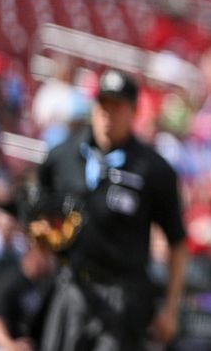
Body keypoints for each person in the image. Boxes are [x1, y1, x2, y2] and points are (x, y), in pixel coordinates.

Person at [35, 69, 187, 351]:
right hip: (72, 288)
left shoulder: (153, 169)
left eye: (117, 106)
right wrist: (40, 236)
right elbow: (37, 206)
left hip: (123, 295)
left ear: (133, 112)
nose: (108, 113)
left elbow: (177, 242)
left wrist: (171, 308)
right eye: (103, 104)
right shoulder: (63, 156)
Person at [0, 238, 54, 351]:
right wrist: (11, 346)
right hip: (5, 345)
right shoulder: (10, 281)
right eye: (46, 255)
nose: (50, 260)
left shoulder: (45, 283)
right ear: (34, 254)